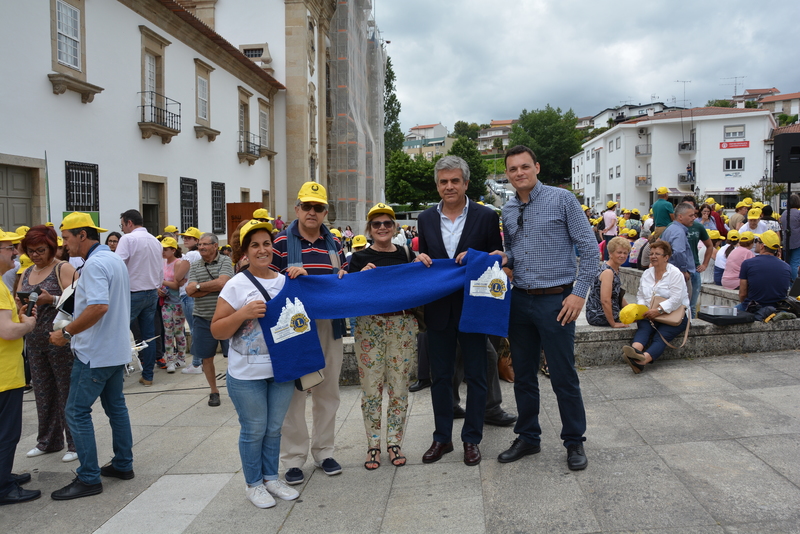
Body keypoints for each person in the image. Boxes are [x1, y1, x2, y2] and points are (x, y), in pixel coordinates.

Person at [497, 145, 598, 471]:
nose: (518, 173)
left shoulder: (562, 199)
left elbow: (590, 250)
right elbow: (512, 250)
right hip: (520, 300)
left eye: (524, 166)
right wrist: (505, 261)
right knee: (523, 376)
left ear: (536, 167)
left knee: (563, 375)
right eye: (512, 169)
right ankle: (528, 436)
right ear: (508, 174)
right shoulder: (508, 210)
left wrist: (578, 294)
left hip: (558, 301)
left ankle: (574, 441)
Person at [415, 155, 504, 467]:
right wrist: (419, 261)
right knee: (439, 376)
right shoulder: (425, 220)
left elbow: (498, 258)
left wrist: (478, 255)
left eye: (455, 180)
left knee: (477, 376)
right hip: (438, 310)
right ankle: (442, 438)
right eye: (443, 181)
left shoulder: (486, 216)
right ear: (437, 185)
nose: (449, 186)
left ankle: (471, 439)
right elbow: (426, 260)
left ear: (466, 183)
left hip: (475, 308)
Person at [210, 220, 306, 508]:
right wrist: (243, 313)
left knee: (274, 428)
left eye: (267, 244)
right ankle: (253, 484)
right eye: (255, 245)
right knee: (254, 429)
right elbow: (217, 331)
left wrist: (303, 277)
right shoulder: (236, 284)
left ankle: (270, 478)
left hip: (281, 370)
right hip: (246, 374)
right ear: (245, 251)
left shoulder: (284, 280)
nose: (262, 250)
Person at [49, 212, 134, 500]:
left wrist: (67, 332)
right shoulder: (111, 258)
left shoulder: (97, 263)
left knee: (75, 411)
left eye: (67, 238)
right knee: (116, 408)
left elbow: (98, 307)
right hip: (114, 348)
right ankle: (123, 464)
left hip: (95, 352)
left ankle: (88, 478)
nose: (65, 245)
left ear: (82, 235)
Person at [271, 181, 348, 485]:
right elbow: (267, 283)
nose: (312, 212)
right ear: (297, 209)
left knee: (328, 390)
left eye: (318, 207)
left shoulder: (336, 244)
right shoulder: (279, 243)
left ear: (325, 211)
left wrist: (342, 276)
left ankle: (324, 451)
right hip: (294, 328)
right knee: (294, 394)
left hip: (329, 323)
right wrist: (288, 277)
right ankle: (293, 458)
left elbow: (342, 278)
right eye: (307, 206)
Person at [348, 203, 419, 470]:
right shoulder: (358, 258)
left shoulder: (405, 254)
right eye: (376, 224)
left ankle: (394, 442)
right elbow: (349, 293)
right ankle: (373, 445)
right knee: (371, 390)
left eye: (387, 223)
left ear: (394, 227)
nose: (382, 228)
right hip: (370, 325)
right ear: (369, 229)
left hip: (401, 324)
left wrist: (423, 262)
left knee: (399, 387)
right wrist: (359, 278)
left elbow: (418, 283)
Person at [17, 225, 78, 463]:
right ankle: (48, 440)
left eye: (40, 250)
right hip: (34, 340)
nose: (35, 255)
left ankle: (74, 442)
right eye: (30, 250)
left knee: (67, 391)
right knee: (43, 392)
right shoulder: (27, 272)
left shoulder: (63, 268)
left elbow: (79, 299)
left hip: (59, 339)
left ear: (52, 248)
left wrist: (50, 299)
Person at [0, 228, 41, 506]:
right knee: (7, 432)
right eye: (9, 248)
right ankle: (3, 487)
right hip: (5, 373)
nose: (15, 253)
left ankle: (3, 475)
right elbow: (7, 331)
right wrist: (27, 324)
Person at [622, 240, 690, 373]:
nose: (653, 256)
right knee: (644, 328)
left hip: (674, 314)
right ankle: (634, 351)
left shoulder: (675, 274)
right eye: (651, 253)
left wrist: (658, 310)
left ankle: (641, 361)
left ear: (666, 257)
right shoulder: (647, 273)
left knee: (661, 336)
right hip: (650, 312)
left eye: (657, 254)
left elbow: (677, 299)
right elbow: (640, 295)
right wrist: (643, 310)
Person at [116, 209, 163, 387]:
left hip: (132, 293)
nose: (122, 229)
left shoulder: (128, 239)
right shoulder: (155, 241)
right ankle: (148, 375)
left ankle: (117, 376)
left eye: (122, 225)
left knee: (119, 333)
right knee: (148, 336)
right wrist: (156, 285)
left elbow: (117, 266)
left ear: (129, 223)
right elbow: (159, 269)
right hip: (151, 291)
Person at [186, 233, 233, 407]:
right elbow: (190, 291)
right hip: (202, 317)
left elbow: (223, 283)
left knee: (234, 355)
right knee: (206, 357)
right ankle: (214, 391)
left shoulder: (225, 261)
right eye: (199, 245)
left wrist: (199, 286)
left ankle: (237, 387)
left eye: (205, 244)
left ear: (215, 246)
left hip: (226, 316)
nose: (201, 247)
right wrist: (207, 287)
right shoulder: (195, 264)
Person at [737, 230, 792, 312]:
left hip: (754, 308)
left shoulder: (748, 264)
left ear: (762, 246)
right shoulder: (787, 267)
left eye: (757, 241)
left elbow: (743, 294)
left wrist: (745, 305)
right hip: (778, 309)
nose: (755, 244)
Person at [586, 236, 629, 327]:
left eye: (625, 253)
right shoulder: (608, 272)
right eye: (619, 252)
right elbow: (605, 300)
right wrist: (613, 323)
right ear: (610, 253)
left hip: (608, 312)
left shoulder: (615, 270)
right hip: (600, 315)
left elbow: (617, 295)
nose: (623, 256)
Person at [159, 237, 186, 373]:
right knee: (168, 332)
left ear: (173, 250)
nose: (163, 251)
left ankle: (181, 357)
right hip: (166, 302)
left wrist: (162, 282)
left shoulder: (178, 263)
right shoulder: (162, 262)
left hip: (177, 302)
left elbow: (176, 284)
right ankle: (170, 359)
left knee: (178, 331)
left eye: (165, 249)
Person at [179, 227, 203, 375]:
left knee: (194, 329)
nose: (186, 240)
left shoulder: (190, 254)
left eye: (190, 237)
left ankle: (196, 363)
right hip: (198, 293)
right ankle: (200, 361)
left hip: (188, 294)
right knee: (197, 328)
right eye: (185, 237)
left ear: (197, 240)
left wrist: (179, 277)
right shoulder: (201, 254)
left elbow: (178, 275)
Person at [781, 194, 800, 282]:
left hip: (786, 242)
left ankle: (787, 283)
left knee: (787, 264)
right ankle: (793, 285)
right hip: (797, 242)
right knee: (794, 264)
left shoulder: (784, 213)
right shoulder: (798, 213)